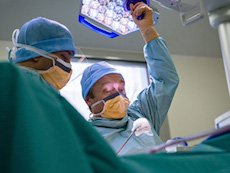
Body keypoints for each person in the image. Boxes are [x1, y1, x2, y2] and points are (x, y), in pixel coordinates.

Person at [80, 2, 179, 155]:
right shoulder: (85, 139)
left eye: (121, 88)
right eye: (107, 90)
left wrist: (147, 29)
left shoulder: (140, 114)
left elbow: (165, 80)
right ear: (89, 100)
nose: (118, 95)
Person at [8, 17, 76, 91]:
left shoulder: (41, 92)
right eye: (64, 57)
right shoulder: (7, 87)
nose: (69, 67)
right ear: (35, 53)